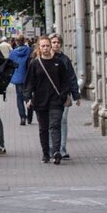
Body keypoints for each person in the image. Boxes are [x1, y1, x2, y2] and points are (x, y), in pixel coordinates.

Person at [24, 35, 72, 163]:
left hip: (56, 101)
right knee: (43, 128)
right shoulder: (35, 64)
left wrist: (63, 95)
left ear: (51, 47)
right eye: (43, 46)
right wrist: (28, 98)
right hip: (40, 101)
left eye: (47, 45)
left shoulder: (59, 63)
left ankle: (56, 151)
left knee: (55, 125)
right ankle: (45, 153)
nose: (45, 48)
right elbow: (29, 83)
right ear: (39, 48)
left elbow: (65, 81)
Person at [51, 34, 81, 159]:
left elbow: (72, 77)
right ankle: (52, 148)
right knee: (51, 122)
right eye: (53, 42)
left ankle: (62, 149)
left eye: (58, 42)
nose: (56, 44)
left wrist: (76, 95)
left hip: (64, 95)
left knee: (62, 120)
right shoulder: (45, 59)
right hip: (49, 96)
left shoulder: (65, 59)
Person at [9, 35, 32, 124]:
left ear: (16, 42)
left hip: (18, 78)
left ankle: (22, 117)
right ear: (24, 41)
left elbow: (10, 65)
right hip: (28, 77)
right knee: (28, 97)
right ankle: (29, 117)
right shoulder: (29, 50)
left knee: (19, 98)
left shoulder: (13, 53)